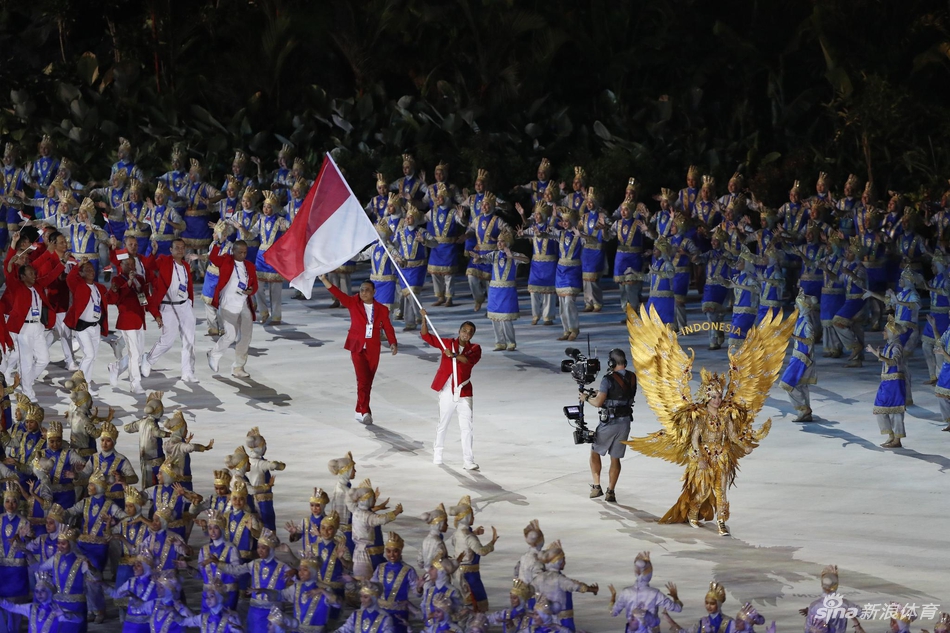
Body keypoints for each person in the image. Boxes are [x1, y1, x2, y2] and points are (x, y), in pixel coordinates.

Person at [624, 308, 793, 536]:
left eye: (719, 395)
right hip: (703, 456)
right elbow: (694, 439)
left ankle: (722, 523)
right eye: (713, 396)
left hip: (722, 456)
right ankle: (693, 513)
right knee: (702, 491)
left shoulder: (727, 413)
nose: (718, 398)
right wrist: (700, 458)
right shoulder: (698, 415)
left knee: (722, 491)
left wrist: (748, 441)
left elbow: (732, 436)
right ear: (706, 396)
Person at [320, 275, 398, 425]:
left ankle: (358, 409)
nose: (363, 293)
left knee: (368, 381)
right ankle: (365, 411)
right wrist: (324, 280)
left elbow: (388, 327)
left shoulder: (382, 309)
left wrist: (392, 342)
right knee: (362, 381)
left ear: (374, 292)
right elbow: (338, 293)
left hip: (373, 348)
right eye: (361, 290)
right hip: (357, 347)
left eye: (367, 290)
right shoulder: (353, 303)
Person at [3, 238, 65, 400]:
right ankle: (27, 391)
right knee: (25, 360)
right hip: (23, 328)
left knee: (44, 359)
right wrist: (12, 249)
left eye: (34, 273)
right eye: (31, 273)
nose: (34, 275)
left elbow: (51, 276)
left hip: (38, 327)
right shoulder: (16, 286)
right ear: (22, 276)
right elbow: (8, 272)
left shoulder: (37, 285)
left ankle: (25, 380)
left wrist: (62, 263)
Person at [419, 310, 481, 469]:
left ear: (472, 336)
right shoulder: (446, 343)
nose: (466, 334)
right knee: (443, 423)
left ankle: (468, 460)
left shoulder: (475, 348)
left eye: (470, 332)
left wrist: (453, 355)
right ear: (459, 331)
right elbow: (426, 336)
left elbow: (467, 360)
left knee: (467, 427)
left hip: (464, 391)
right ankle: (438, 453)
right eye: (464, 331)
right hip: (447, 389)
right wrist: (424, 319)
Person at [142, 237, 199, 383]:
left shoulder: (186, 266)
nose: (180, 250)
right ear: (171, 250)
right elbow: (149, 266)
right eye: (177, 247)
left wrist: (190, 302)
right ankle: (148, 359)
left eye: (182, 247)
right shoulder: (164, 260)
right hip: (169, 306)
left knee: (189, 341)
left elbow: (188, 286)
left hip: (184, 306)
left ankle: (187, 372)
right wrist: (153, 252)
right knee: (167, 341)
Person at [583, 349, 636, 503]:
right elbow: (621, 393)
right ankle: (611, 491)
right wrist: (601, 393)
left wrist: (587, 398)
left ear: (611, 363)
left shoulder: (607, 379)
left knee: (594, 452)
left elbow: (598, 403)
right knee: (615, 458)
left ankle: (596, 486)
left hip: (610, 423)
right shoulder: (633, 377)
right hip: (625, 422)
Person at [207, 238, 258, 378]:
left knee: (246, 337)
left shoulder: (250, 266)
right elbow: (212, 258)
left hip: (243, 305)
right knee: (231, 335)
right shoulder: (226, 261)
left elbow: (255, 285)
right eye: (240, 252)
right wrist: (217, 242)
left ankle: (238, 367)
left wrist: (251, 290)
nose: (242, 255)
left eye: (245, 252)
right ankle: (213, 354)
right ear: (233, 251)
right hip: (227, 304)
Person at [106, 254, 151, 394]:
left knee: (138, 352)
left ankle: (116, 367)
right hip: (127, 319)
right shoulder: (117, 280)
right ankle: (135, 383)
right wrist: (129, 283)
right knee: (135, 354)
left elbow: (143, 298)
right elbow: (114, 299)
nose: (131, 267)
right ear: (121, 265)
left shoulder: (140, 279)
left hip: (139, 318)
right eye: (128, 264)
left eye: (133, 264)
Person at [65, 261, 109, 391]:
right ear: (81, 273)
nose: (91, 271)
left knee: (92, 357)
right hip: (82, 327)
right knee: (89, 355)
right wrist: (79, 264)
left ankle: (86, 385)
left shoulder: (99, 288)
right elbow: (69, 278)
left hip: (95, 327)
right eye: (87, 269)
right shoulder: (78, 285)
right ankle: (79, 384)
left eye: (92, 269)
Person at [608, 551, 683, 628]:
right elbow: (678, 608)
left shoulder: (626, 592)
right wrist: (675, 597)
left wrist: (613, 596)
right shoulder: (655, 593)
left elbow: (613, 612)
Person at [869, 316, 908, 448]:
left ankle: (897, 439)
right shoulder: (889, 345)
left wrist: (878, 355)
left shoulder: (897, 346)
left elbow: (894, 361)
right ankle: (891, 435)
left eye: (885, 330)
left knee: (896, 411)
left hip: (895, 382)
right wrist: (877, 354)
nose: (883, 332)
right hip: (886, 381)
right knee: (880, 409)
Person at [780, 290, 819, 422]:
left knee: (787, 383)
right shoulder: (801, 319)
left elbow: (810, 340)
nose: (795, 307)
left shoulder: (807, 322)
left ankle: (803, 408)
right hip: (798, 355)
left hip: (802, 357)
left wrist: (795, 337)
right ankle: (805, 412)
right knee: (801, 385)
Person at [664, 582, 731, 633]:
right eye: (706, 603)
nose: (708, 606)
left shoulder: (729, 622)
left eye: (712, 603)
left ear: (718, 604)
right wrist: (668, 619)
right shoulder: (702, 622)